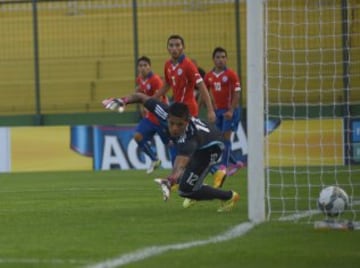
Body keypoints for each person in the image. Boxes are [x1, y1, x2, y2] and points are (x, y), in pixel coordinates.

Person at [102, 93, 240, 212]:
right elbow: (140, 96)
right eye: (172, 123)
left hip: (212, 148)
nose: (174, 128)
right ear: (167, 118)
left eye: (179, 125)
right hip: (204, 141)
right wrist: (123, 101)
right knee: (188, 185)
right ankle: (197, 188)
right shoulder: (164, 112)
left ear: (186, 122)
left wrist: (170, 180)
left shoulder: (190, 139)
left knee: (186, 190)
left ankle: (230, 196)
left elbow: (180, 165)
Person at [152, 34, 216, 124]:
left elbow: (202, 87)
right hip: (177, 108)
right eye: (171, 45)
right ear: (167, 48)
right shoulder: (168, 65)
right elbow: (167, 85)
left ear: (183, 47)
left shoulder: (188, 65)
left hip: (189, 109)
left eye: (178, 45)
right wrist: (153, 98)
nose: (174, 48)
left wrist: (210, 110)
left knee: (188, 136)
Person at [204, 47, 244, 187]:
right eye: (218, 57)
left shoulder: (231, 74)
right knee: (219, 140)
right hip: (218, 111)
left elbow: (237, 93)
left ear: (226, 59)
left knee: (226, 139)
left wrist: (231, 110)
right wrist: (211, 107)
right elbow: (206, 91)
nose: (220, 60)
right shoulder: (208, 76)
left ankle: (223, 167)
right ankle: (236, 163)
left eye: (223, 57)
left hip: (229, 112)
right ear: (213, 59)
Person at [133, 56, 169, 174]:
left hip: (161, 116)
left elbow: (159, 97)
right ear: (138, 68)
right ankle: (155, 159)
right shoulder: (139, 79)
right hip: (150, 117)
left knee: (171, 143)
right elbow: (141, 91)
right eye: (140, 66)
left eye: (145, 65)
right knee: (138, 136)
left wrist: (147, 105)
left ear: (150, 67)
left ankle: (184, 167)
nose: (143, 68)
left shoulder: (155, 80)